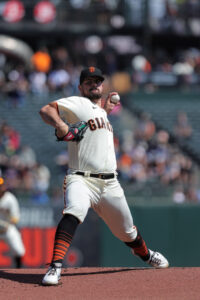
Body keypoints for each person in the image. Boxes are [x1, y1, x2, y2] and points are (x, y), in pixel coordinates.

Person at [39, 66, 169, 286]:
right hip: (81, 178)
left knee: (128, 232)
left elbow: (93, 125)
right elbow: (46, 110)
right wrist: (61, 124)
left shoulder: (101, 112)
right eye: (89, 81)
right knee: (74, 211)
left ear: (103, 85)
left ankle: (146, 255)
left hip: (110, 184)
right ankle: (55, 266)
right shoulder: (78, 102)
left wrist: (105, 111)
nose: (94, 84)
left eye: (97, 81)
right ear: (81, 87)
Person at [0, 177, 25, 268]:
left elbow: (16, 217)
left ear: (4, 187)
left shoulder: (10, 198)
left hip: (7, 229)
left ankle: (18, 270)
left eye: (1, 186)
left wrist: (7, 224)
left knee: (19, 251)